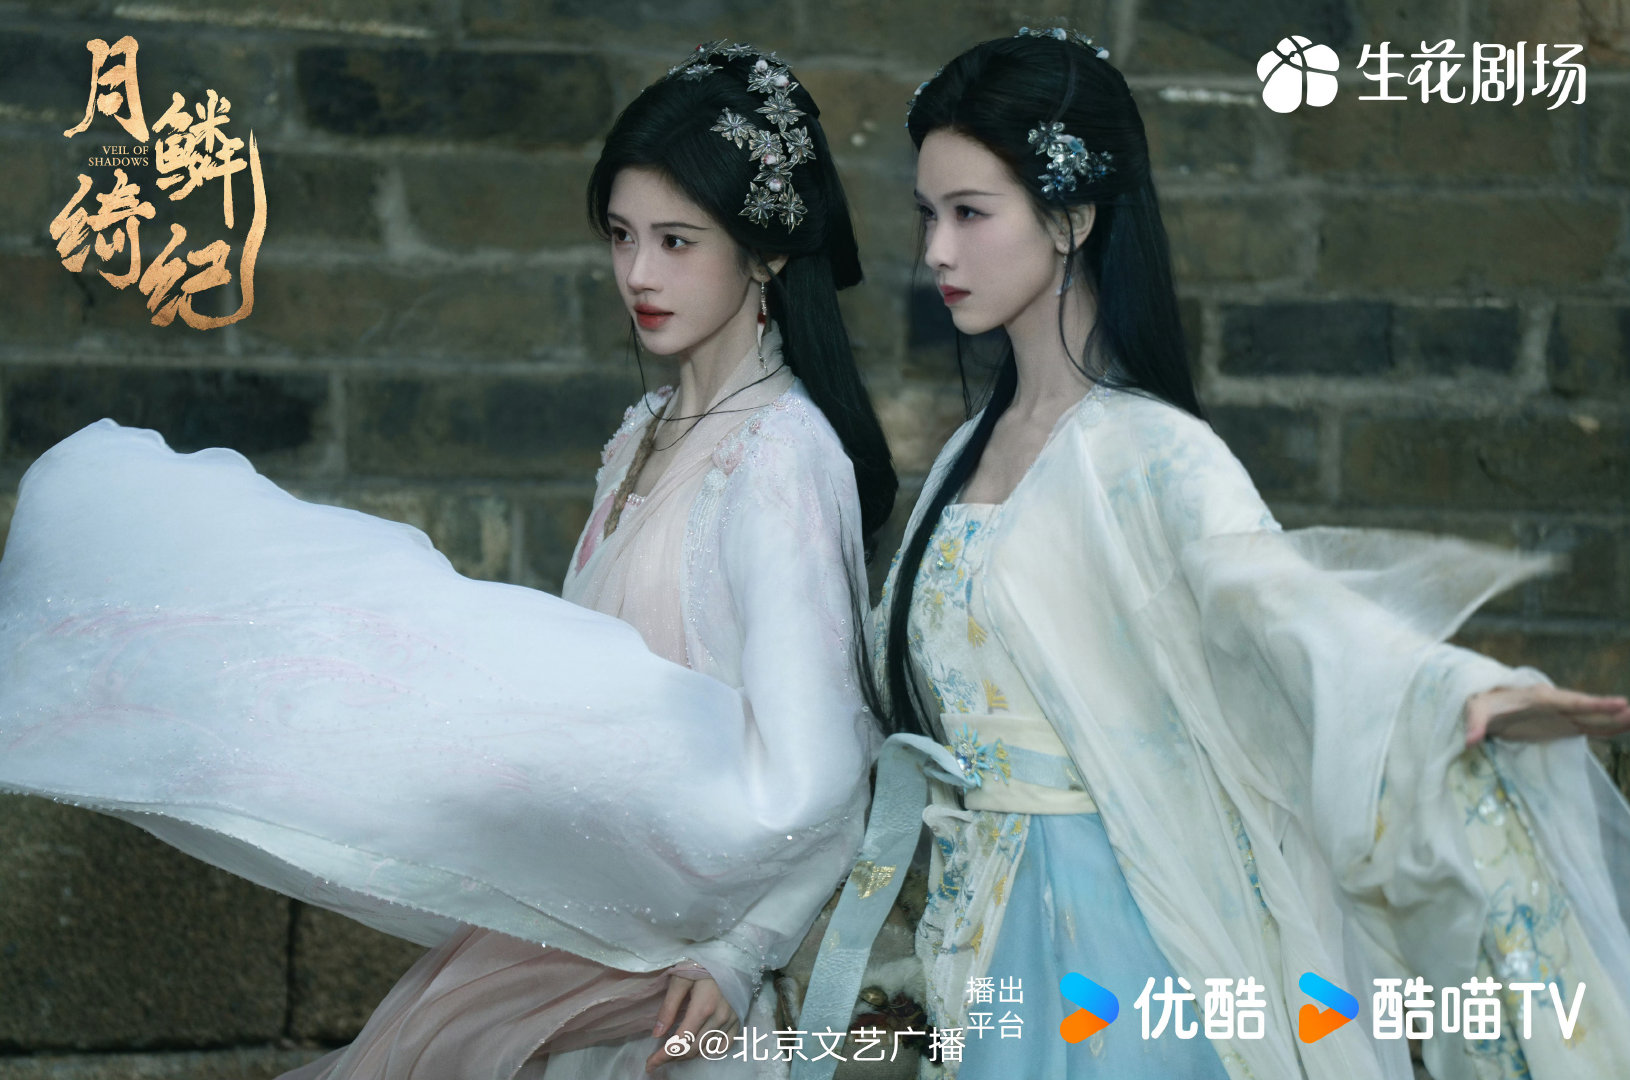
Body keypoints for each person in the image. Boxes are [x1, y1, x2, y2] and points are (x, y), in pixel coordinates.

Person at [0, 41, 895, 1080]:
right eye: (620, 235)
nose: (638, 274)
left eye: (676, 241)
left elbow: (829, 755)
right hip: (598, 917)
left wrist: (741, 953)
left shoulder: (781, 455)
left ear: (767, 254)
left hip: (678, 966)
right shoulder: (643, 432)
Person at [794, 29, 1630, 1080]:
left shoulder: (1150, 450)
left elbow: (1278, 606)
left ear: (1072, 218)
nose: (938, 253)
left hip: (1109, 933)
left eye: (970, 213)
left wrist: (1455, 692)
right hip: (984, 923)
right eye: (928, 215)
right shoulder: (969, 452)